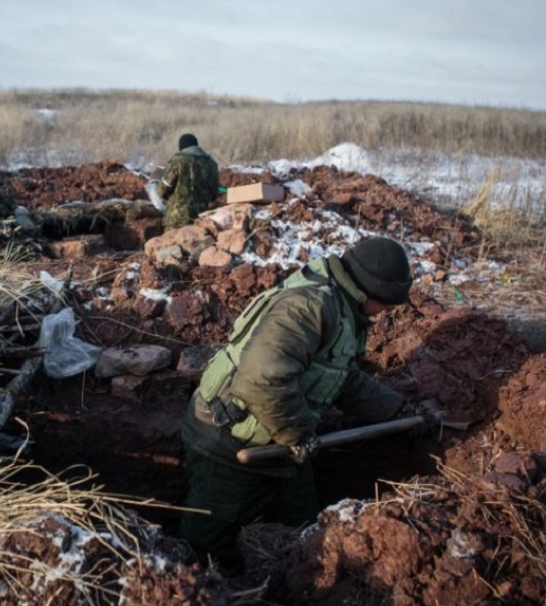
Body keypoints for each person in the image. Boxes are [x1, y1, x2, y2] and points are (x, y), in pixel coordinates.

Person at [179, 236, 417, 576]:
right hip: (228, 442)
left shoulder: (345, 306)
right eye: (388, 304)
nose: (387, 312)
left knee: (306, 527)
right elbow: (262, 378)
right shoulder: (310, 306)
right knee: (208, 546)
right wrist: (298, 433)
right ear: (371, 293)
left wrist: (398, 410)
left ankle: (301, 594)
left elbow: (343, 378)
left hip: (282, 447)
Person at [157, 133, 219, 231]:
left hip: (178, 218)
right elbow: (215, 193)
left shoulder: (178, 161)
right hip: (202, 217)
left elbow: (164, 188)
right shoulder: (211, 163)